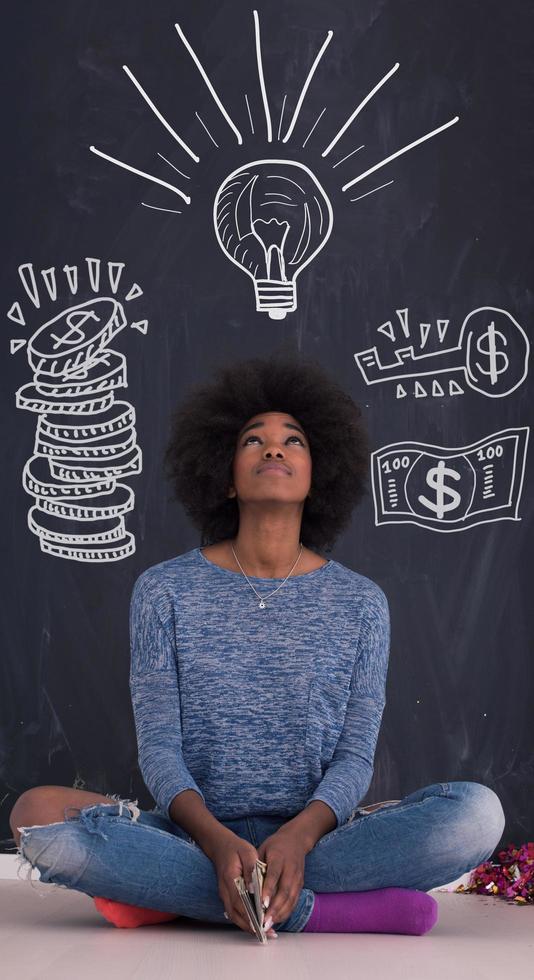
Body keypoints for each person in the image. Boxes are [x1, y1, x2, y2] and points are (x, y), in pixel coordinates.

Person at [10, 352, 506, 937]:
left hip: (317, 839)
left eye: (293, 441)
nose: (274, 449)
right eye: (254, 441)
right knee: (32, 815)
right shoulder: (164, 590)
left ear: (319, 474)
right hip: (194, 835)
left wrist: (298, 836)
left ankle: (179, 897)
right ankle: (316, 910)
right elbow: (161, 750)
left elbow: (353, 759)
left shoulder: (361, 602)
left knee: (476, 815)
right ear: (224, 475)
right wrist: (218, 844)